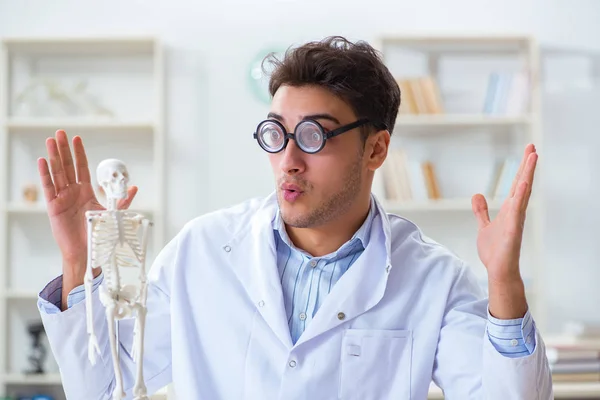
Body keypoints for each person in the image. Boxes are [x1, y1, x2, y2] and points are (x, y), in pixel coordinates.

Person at [36, 36, 553, 400]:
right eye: (276, 133)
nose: (289, 159)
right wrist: (79, 261)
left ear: (376, 150)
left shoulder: (433, 278)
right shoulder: (202, 251)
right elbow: (103, 388)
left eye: (314, 136)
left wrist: (504, 282)